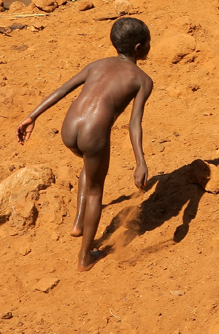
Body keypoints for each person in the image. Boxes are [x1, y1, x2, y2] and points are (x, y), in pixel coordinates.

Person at [16, 16, 153, 271]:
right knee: (95, 191)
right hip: (94, 134)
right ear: (138, 48)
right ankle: (85, 257)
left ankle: (78, 224)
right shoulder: (142, 80)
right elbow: (135, 123)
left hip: (70, 130)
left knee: (89, 166)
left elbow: (63, 89)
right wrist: (140, 161)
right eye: (148, 43)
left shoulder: (97, 64)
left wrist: (32, 116)